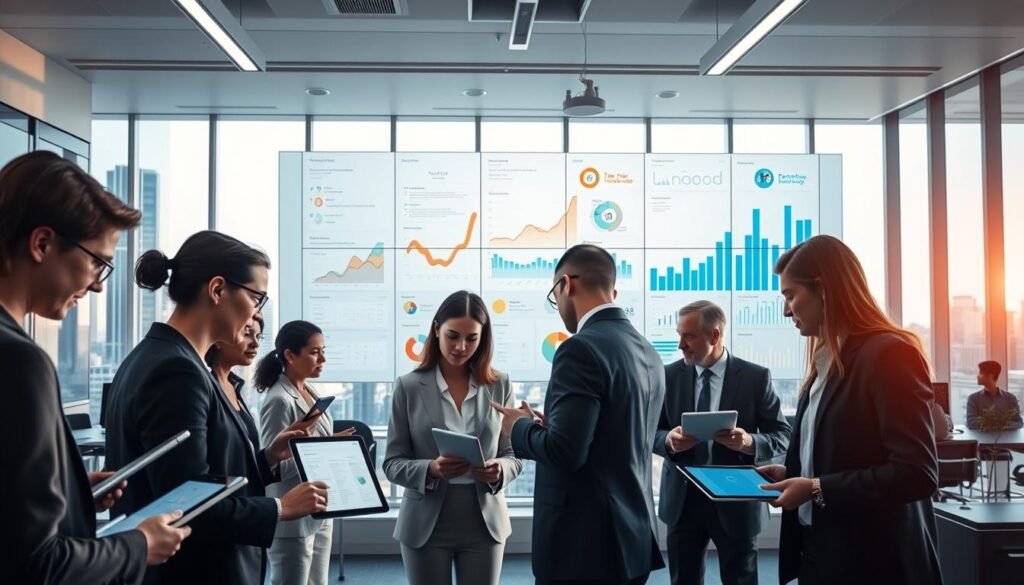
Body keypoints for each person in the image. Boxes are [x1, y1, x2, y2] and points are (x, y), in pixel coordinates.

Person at [0, 151, 189, 583]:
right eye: (97, 262)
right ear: (42, 244)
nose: (99, 285)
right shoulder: (19, 360)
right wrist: (139, 545)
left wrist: (72, 492)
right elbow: (37, 564)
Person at [104, 230, 330, 585]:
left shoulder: (158, 356)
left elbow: (203, 475)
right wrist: (281, 507)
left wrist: (266, 458)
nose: (256, 314)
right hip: (194, 571)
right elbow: (186, 503)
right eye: (257, 297)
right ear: (218, 290)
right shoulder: (177, 371)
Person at [757, 235, 942, 585]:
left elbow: (916, 473)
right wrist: (794, 471)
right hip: (822, 554)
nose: (785, 310)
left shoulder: (890, 354)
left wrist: (815, 487)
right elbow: (847, 450)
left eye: (790, 295)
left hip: (875, 562)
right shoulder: (824, 363)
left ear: (824, 289)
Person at [493, 245, 666, 585]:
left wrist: (518, 427)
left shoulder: (579, 348)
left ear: (566, 285)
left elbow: (566, 453)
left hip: (585, 548)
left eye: (554, 296)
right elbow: (614, 436)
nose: (557, 308)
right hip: (632, 538)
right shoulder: (647, 350)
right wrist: (550, 427)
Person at [384, 290, 523, 585]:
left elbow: (513, 455)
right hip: (425, 521)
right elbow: (392, 463)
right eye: (453, 336)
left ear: (483, 338)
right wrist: (430, 469)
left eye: (471, 338)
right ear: (436, 330)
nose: (461, 347)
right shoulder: (408, 387)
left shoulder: (500, 384)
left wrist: (500, 469)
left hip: (484, 520)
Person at [654, 300, 790, 585]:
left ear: (715, 335)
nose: (681, 344)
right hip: (683, 499)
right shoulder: (667, 376)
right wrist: (668, 440)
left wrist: (749, 442)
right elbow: (648, 431)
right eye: (679, 335)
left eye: (689, 336)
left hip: (736, 499)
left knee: (740, 578)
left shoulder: (755, 377)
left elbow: (782, 435)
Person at [255, 320, 355, 585]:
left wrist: (328, 442)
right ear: (290, 355)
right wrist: (312, 448)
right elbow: (272, 466)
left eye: (323, 351)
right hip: (292, 516)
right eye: (314, 352)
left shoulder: (309, 389)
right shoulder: (279, 400)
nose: (323, 358)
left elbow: (306, 444)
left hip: (319, 508)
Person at [966, 360, 1023, 430]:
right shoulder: (973, 399)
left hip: (1007, 440)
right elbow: (971, 423)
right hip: (982, 440)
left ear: (990, 375)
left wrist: (991, 425)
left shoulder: (1010, 398)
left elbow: (1019, 422)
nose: (977, 376)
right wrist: (1000, 425)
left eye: (980, 373)